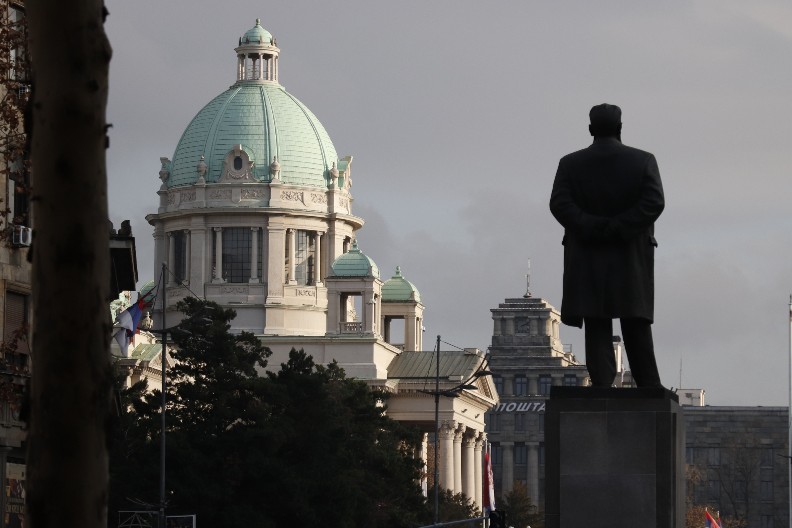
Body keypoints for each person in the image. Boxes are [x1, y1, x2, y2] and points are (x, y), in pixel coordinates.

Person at [549, 104, 665, 388]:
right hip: (630, 254)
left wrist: (590, 225)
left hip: (588, 252)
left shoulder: (570, 163)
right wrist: (620, 227)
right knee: (635, 320)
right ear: (620, 128)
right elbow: (654, 203)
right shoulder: (643, 161)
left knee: (596, 320)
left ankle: (601, 383)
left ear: (590, 129)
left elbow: (560, 205)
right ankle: (648, 384)